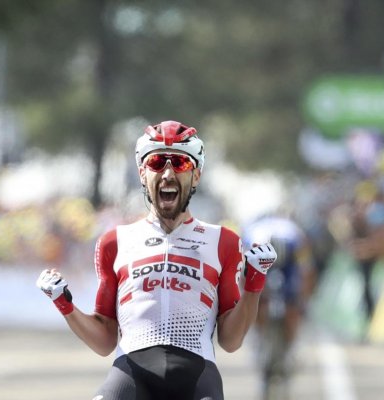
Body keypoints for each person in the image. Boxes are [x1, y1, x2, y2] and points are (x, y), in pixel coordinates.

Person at [36, 120, 277, 400]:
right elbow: (104, 341)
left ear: (196, 176)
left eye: (180, 164)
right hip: (131, 372)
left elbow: (231, 340)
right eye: (157, 162)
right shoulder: (115, 242)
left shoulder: (223, 241)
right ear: (142, 173)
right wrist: (64, 304)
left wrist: (254, 284)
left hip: (196, 374)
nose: (167, 172)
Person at [241, 213, 316, 397]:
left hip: (288, 264)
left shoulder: (294, 237)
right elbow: (243, 272)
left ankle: (290, 347)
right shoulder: (253, 236)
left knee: (291, 304)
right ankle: (260, 336)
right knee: (258, 299)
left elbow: (306, 270)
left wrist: (301, 300)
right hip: (260, 261)